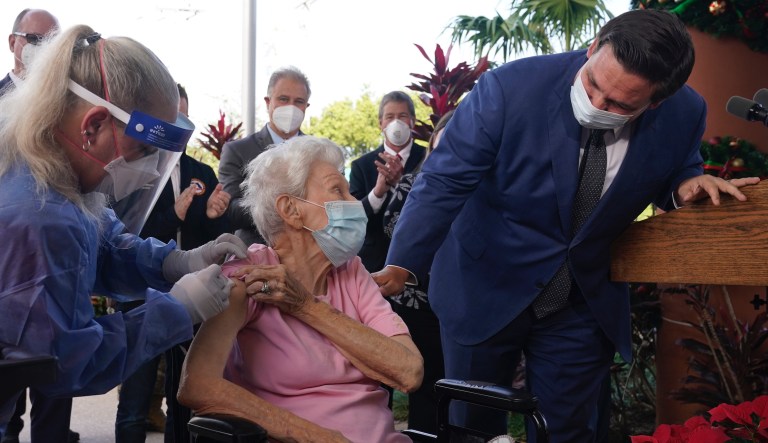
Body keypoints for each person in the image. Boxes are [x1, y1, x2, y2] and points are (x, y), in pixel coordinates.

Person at [373, 9, 760, 442]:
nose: (597, 104)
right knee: (471, 427)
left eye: (619, 105)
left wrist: (686, 186)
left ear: (656, 102)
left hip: (580, 300)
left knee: (567, 431)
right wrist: (402, 265)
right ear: (593, 48)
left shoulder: (685, 113)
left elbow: (677, 169)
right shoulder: (510, 87)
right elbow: (444, 181)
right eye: (593, 83)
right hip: (483, 284)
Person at [0, 24, 248, 440]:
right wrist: (177, 309)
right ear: (93, 126)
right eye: (146, 150)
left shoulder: (51, 175)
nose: (151, 169)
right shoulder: (39, 212)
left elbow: (104, 244)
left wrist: (177, 262)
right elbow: (66, 364)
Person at [178, 136, 424, 443]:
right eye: (338, 190)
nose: (353, 202)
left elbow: (409, 370)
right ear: (291, 210)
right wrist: (321, 438)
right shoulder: (247, 276)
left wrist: (306, 306)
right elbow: (197, 385)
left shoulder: (351, 271)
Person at [114, 83, 232, 443]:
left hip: (190, 295)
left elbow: (213, 233)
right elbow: (127, 234)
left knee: (182, 397)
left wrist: (213, 214)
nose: (176, 125)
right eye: (169, 117)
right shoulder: (135, 170)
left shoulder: (202, 172)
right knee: (135, 397)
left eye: (183, 115)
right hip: (140, 295)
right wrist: (174, 213)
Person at [380, 110, 453, 434]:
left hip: (460, 304)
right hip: (417, 302)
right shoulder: (413, 181)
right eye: (440, 150)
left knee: (460, 389)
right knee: (426, 385)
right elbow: (391, 226)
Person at [219, 66, 310, 245]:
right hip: (254, 257)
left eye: (298, 101)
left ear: (306, 106)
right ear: (268, 102)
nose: (291, 107)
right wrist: (285, 206)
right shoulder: (237, 151)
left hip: (308, 258)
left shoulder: (318, 153)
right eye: (283, 99)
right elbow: (232, 210)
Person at [349, 91, 426, 274]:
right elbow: (352, 218)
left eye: (402, 116)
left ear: (412, 121)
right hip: (374, 264)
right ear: (380, 124)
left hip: (416, 264)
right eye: (390, 117)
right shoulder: (362, 165)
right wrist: (377, 193)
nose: (396, 122)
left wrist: (402, 183)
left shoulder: (428, 157)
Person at [0, 8, 58, 94]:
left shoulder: (68, 101)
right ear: (12, 43)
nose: (45, 46)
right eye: (34, 38)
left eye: (53, 41)